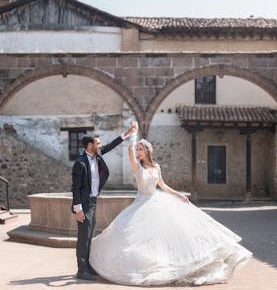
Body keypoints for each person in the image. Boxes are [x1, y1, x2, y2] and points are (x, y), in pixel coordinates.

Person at [89, 122, 252, 286]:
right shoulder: (136, 166)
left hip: (156, 201)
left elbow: (163, 185)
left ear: (147, 151)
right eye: (138, 149)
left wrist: (179, 195)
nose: (138, 152)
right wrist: (133, 134)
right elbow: (130, 151)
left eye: (141, 149)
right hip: (141, 203)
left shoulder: (156, 166)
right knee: (126, 233)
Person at [72, 123, 137, 281]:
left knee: (89, 236)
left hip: (93, 201)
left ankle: (87, 266)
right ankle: (81, 270)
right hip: (84, 204)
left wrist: (127, 133)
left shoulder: (97, 155)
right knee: (83, 237)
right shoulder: (80, 163)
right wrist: (78, 210)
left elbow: (110, 145)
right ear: (90, 145)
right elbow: (75, 188)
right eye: (98, 143)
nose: (100, 145)